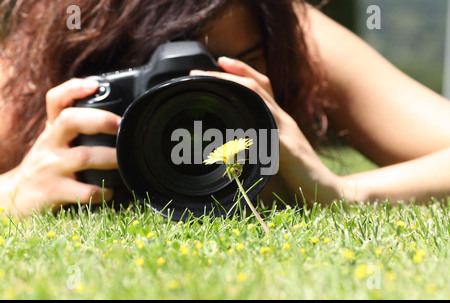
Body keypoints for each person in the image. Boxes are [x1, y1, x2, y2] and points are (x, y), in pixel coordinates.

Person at [1, 0, 449, 218]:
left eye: (232, 69)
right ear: (91, 63)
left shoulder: (287, 33)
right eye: (162, 82)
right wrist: (17, 189)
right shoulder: (24, 76)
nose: (202, 114)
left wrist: (338, 193)